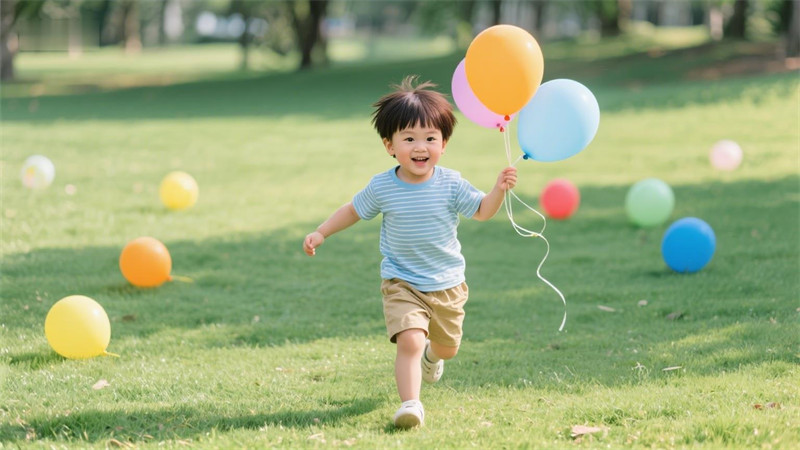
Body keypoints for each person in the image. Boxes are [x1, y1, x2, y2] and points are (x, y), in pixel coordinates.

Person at [303, 75, 517, 428]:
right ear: (390, 145)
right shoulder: (383, 186)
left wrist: (498, 190)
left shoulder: (450, 183)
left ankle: (435, 357)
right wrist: (321, 232)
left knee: (445, 348)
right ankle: (411, 405)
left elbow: (481, 211)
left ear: (444, 144)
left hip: (447, 283)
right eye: (410, 138)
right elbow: (353, 210)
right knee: (411, 341)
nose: (421, 146)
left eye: (430, 138)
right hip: (402, 282)